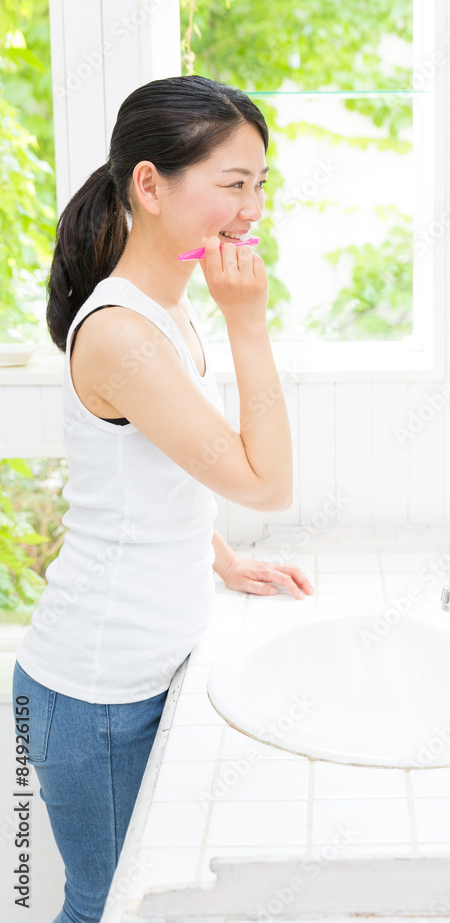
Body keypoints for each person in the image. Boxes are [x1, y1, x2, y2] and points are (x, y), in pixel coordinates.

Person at [12, 74, 313, 923]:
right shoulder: (120, 333)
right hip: (94, 691)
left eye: (260, 185)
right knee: (104, 907)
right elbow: (269, 483)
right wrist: (249, 321)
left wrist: (221, 558)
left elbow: (149, 473)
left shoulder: (165, 311)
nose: (252, 209)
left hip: (128, 675)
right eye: (232, 184)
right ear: (149, 184)